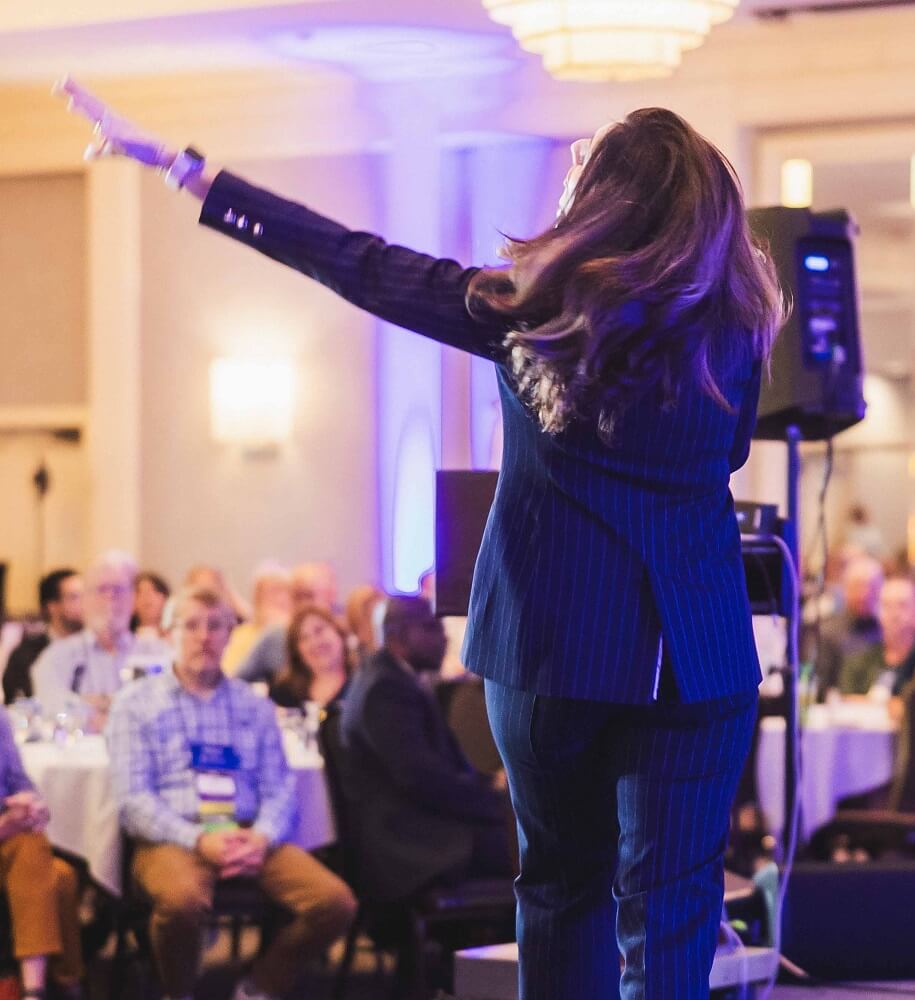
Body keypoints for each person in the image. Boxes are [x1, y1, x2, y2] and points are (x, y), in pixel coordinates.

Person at [60, 85, 784, 999]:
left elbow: (362, 264)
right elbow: (729, 453)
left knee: (563, 889)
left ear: (603, 198)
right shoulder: (740, 332)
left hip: (556, 641)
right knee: (674, 909)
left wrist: (188, 172)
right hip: (701, 647)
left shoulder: (532, 311)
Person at [105, 587, 356, 1000]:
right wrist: (199, 840)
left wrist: (261, 836)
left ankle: (260, 986)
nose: (204, 636)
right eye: (192, 625)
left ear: (230, 634)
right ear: (169, 633)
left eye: (216, 625)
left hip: (246, 833)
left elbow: (280, 788)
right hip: (172, 836)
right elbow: (133, 800)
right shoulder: (135, 703)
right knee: (182, 902)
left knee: (335, 902)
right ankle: (178, 993)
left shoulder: (253, 705)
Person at [337, 597, 511, 903]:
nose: (444, 637)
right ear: (399, 636)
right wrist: (494, 801)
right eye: (432, 628)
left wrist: (490, 787)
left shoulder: (388, 677)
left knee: (527, 835)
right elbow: (423, 780)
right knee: (536, 846)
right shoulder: (385, 690)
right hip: (408, 844)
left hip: (416, 826)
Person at [32, 552, 172, 729]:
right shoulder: (56, 657)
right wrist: (111, 714)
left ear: (133, 598)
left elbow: (169, 709)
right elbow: (51, 711)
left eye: (119, 589)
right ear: (85, 598)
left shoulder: (158, 653)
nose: (110, 598)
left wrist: (99, 703)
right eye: (101, 589)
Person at [0, 707, 83, 999]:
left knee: (45, 856)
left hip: (9, 844)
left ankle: (33, 991)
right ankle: (61, 984)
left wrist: (34, 805)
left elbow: (18, 779)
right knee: (56, 874)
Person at [235, 562, 339, 684]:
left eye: (308, 595)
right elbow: (235, 682)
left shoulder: (346, 639)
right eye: (296, 597)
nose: (303, 605)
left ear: (331, 595)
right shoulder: (277, 636)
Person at [809, 554, 884, 699]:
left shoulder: (885, 630)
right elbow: (819, 684)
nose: (864, 594)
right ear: (845, 589)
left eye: (871, 587)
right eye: (858, 587)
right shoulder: (827, 631)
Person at [3, 569, 83, 704]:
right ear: (52, 606)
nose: (85, 603)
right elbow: (18, 703)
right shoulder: (27, 655)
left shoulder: (97, 648)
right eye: (75, 597)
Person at [839, 576, 915, 697]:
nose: (894, 614)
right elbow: (844, 699)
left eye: (902, 605)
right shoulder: (860, 659)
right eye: (886, 605)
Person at [269, 605, 353, 709]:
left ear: (338, 632)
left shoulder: (363, 684)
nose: (314, 642)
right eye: (304, 638)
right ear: (296, 651)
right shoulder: (283, 692)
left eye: (319, 630)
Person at [221, 562, 292, 675]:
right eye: (274, 591)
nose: (281, 598)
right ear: (257, 598)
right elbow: (229, 673)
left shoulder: (300, 635)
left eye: (286, 591)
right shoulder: (242, 634)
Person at [131, 570, 171, 639]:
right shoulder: (125, 640)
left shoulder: (176, 637)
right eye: (141, 592)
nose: (147, 597)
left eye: (154, 590)